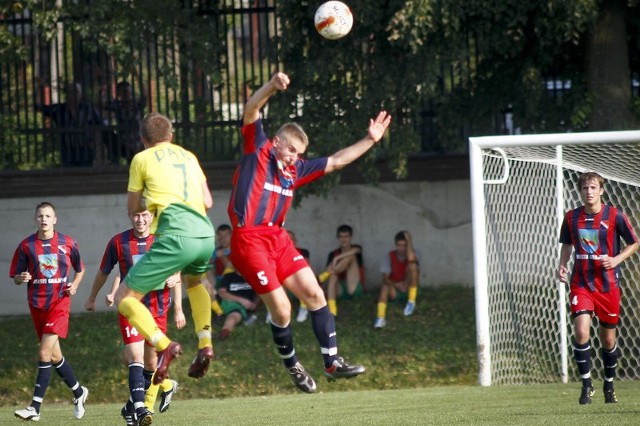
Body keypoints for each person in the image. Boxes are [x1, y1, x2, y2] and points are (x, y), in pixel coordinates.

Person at [227, 71, 391, 393]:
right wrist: (272, 87)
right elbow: (251, 109)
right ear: (276, 143)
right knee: (284, 310)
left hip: (278, 239)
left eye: (299, 155)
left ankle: (331, 362)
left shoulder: (294, 171)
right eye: (291, 151)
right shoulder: (257, 152)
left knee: (316, 295)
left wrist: (370, 140)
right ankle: (293, 365)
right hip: (248, 241)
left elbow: (336, 161)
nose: (294, 159)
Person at [113, 112, 216, 387]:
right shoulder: (189, 156)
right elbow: (208, 200)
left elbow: (133, 208)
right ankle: (205, 343)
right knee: (195, 283)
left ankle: (164, 345)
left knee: (125, 297)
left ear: (143, 139)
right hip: (206, 234)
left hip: (175, 235)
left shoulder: (141, 159)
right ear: (171, 136)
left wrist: (150, 200)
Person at [84, 210, 185, 426]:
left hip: (157, 310)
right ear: (129, 215)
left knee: (150, 363)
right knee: (134, 356)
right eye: (136, 215)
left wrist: (176, 288)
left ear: (152, 217)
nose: (140, 220)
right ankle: (140, 409)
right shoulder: (118, 242)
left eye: (145, 215)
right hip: (131, 308)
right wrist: (92, 297)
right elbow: (104, 271)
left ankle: (130, 406)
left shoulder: (163, 239)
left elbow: (178, 271)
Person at [557, 171, 638, 405]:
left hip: (608, 286)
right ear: (580, 192)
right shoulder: (571, 217)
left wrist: (616, 260)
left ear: (601, 191)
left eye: (593, 188)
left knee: (607, 340)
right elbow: (567, 244)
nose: (589, 192)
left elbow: (634, 243)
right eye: (585, 188)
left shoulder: (615, 216)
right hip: (581, 284)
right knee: (581, 331)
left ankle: (609, 384)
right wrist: (562, 265)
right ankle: (586, 385)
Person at [9, 202, 89, 422]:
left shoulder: (68, 243)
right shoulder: (27, 246)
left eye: (48, 216)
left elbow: (80, 270)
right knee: (55, 356)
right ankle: (78, 392)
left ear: (55, 219)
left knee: (44, 354)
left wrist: (75, 285)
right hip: (37, 305)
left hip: (59, 304)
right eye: (40, 216)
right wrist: (21, 278)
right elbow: (16, 276)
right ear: (36, 219)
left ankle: (35, 407)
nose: (44, 219)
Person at [37, 81, 103, 167]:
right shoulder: (60, 109)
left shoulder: (89, 109)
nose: (74, 95)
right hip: (67, 150)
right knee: (69, 174)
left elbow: (100, 126)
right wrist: (39, 88)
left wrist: (95, 142)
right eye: (71, 92)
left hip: (85, 150)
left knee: (86, 174)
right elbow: (40, 108)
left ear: (81, 94)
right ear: (67, 94)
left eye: (76, 92)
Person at [374, 231, 420, 329]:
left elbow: (411, 259)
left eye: (405, 245)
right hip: (396, 288)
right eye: (399, 245)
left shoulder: (414, 253)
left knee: (413, 266)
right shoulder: (390, 256)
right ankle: (380, 317)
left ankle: (411, 302)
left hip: (409, 286)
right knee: (384, 287)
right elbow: (385, 278)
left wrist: (409, 240)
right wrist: (396, 285)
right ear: (395, 245)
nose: (402, 248)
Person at [319, 224, 365, 317]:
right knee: (332, 275)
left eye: (346, 236)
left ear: (351, 237)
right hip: (339, 289)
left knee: (351, 256)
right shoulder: (332, 254)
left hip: (353, 287)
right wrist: (331, 267)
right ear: (338, 238)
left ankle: (323, 276)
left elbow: (356, 251)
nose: (344, 239)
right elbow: (329, 268)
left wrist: (337, 258)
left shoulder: (356, 248)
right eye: (341, 236)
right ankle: (332, 311)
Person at [215, 264, 261, 341]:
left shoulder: (253, 278)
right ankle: (225, 331)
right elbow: (222, 293)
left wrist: (255, 304)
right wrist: (241, 300)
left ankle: (225, 331)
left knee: (236, 314)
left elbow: (259, 294)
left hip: (244, 305)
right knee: (235, 314)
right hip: (229, 300)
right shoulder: (229, 276)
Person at [287, 230, 314, 323]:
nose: (288, 242)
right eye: (285, 239)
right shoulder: (276, 253)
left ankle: (303, 307)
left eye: (290, 239)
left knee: (302, 278)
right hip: (285, 284)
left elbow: (304, 268)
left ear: (295, 241)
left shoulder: (303, 252)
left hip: (299, 282)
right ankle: (273, 310)